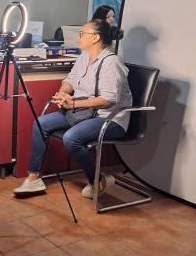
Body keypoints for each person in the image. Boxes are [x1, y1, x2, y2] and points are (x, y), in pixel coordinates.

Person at [14, 19, 132, 199]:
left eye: (82, 33)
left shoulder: (111, 63)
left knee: (71, 138)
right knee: (40, 124)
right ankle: (34, 178)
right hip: (83, 113)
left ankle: (98, 180)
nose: (79, 37)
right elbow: (71, 80)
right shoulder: (85, 56)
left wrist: (74, 104)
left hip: (109, 118)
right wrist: (62, 94)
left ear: (95, 38)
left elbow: (108, 100)